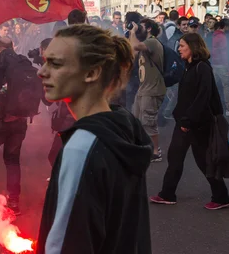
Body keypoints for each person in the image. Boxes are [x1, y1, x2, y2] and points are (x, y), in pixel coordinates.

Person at [36, 24, 152, 254]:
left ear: (92, 73)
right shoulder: (124, 125)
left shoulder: (81, 147)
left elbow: (67, 244)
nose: (42, 71)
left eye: (55, 63)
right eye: (45, 61)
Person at [150, 33, 229, 210]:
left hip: (198, 123)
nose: (179, 49)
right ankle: (167, 194)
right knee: (175, 156)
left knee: (203, 160)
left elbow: (203, 96)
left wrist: (188, 120)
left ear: (193, 47)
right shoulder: (188, 66)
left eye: (182, 46)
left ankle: (221, 196)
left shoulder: (202, 67)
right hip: (185, 121)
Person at [0, 37, 40, 216]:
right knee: (12, 160)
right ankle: (14, 202)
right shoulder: (22, 63)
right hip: (20, 121)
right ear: (13, 47)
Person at [130, 18, 166, 162]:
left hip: (152, 89)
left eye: (142, 27)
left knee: (148, 122)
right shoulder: (146, 43)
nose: (139, 29)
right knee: (137, 119)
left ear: (149, 29)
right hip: (143, 88)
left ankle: (156, 152)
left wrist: (132, 32)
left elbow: (135, 47)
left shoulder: (152, 41)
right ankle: (143, 147)